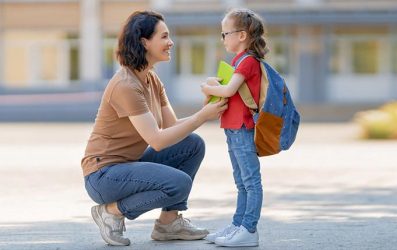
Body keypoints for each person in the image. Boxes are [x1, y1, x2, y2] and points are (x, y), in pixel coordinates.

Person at [81, 10, 227, 246]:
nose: (171, 43)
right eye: (164, 36)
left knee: (192, 144)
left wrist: (206, 109)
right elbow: (157, 140)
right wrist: (201, 117)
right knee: (179, 184)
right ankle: (111, 211)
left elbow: (171, 127)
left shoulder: (151, 78)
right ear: (144, 42)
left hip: (128, 166)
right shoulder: (126, 84)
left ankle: (168, 223)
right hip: (103, 177)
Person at [200, 8, 268, 247]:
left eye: (225, 33)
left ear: (241, 35)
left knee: (251, 181)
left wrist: (208, 88)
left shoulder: (248, 61)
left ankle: (249, 229)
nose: (223, 38)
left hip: (243, 127)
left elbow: (229, 91)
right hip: (232, 127)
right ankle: (238, 225)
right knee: (241, 181)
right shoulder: (238, 60)